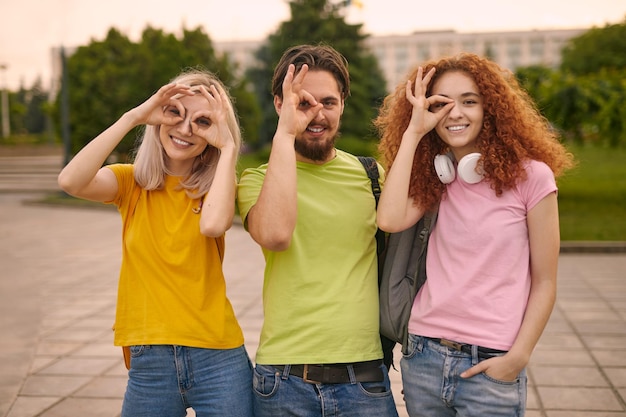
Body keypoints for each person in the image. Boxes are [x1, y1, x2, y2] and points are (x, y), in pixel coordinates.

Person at [373, 53, 575, 416]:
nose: (455, 114)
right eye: (442, 104)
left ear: (491, 108)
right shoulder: (435, 177)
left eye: (469, 101)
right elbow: (388, 219)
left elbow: (545, 281)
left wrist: (517, 357)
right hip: (424, 357)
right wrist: (414, 132)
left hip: (492, 365)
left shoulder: (532, 177)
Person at [57, 69, 253, 417]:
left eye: (203, 121)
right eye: (175, 113)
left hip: (218, 357)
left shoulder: (218, 187)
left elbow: (212, 225)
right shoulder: (131, 184)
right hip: (150, 359)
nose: (185, 129)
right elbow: (70, 181)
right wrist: (134, 117)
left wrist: (228, 147)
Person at [237, 44, 399, 417]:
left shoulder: (372, 176)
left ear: (342, 103)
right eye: (302, 102)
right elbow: (276, 235)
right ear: (280, 104)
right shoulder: (256, 180)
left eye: (328, 102)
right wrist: (283, 136)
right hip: (283, 378)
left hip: (365, 378)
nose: (317, 114)